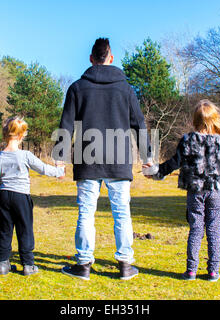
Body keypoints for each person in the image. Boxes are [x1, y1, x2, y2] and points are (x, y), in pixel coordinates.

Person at [54, 38, 153, 281]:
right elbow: (139, 124)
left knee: (86, 212)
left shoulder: (77, 88)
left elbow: (65, 125)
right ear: (111, 58)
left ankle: (84, 264)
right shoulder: (126, 89)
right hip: (119, 159)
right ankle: (126, 265)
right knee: (122, 212)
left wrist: (59, 158)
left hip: (88, 158)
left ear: (91, 59)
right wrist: (148, 156)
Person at [147, 100, 220, 282]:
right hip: (217, 192)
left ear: (195, 120)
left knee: (196, 229)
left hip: (195, 192)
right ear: (215, 119)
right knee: (214, 231)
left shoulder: (188, 140)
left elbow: (174, 163)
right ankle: (213, 271)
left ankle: (191, 270)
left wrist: (157, 171)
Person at [0, 117, 65, 276]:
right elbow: (43, 169)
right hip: (21, 197)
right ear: (20, 135)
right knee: (24, 229)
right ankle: (28, 265)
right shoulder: (25, 155)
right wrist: (60, 171)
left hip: (3, 196)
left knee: (4, 230)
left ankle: (3, 264)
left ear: (5, 134)